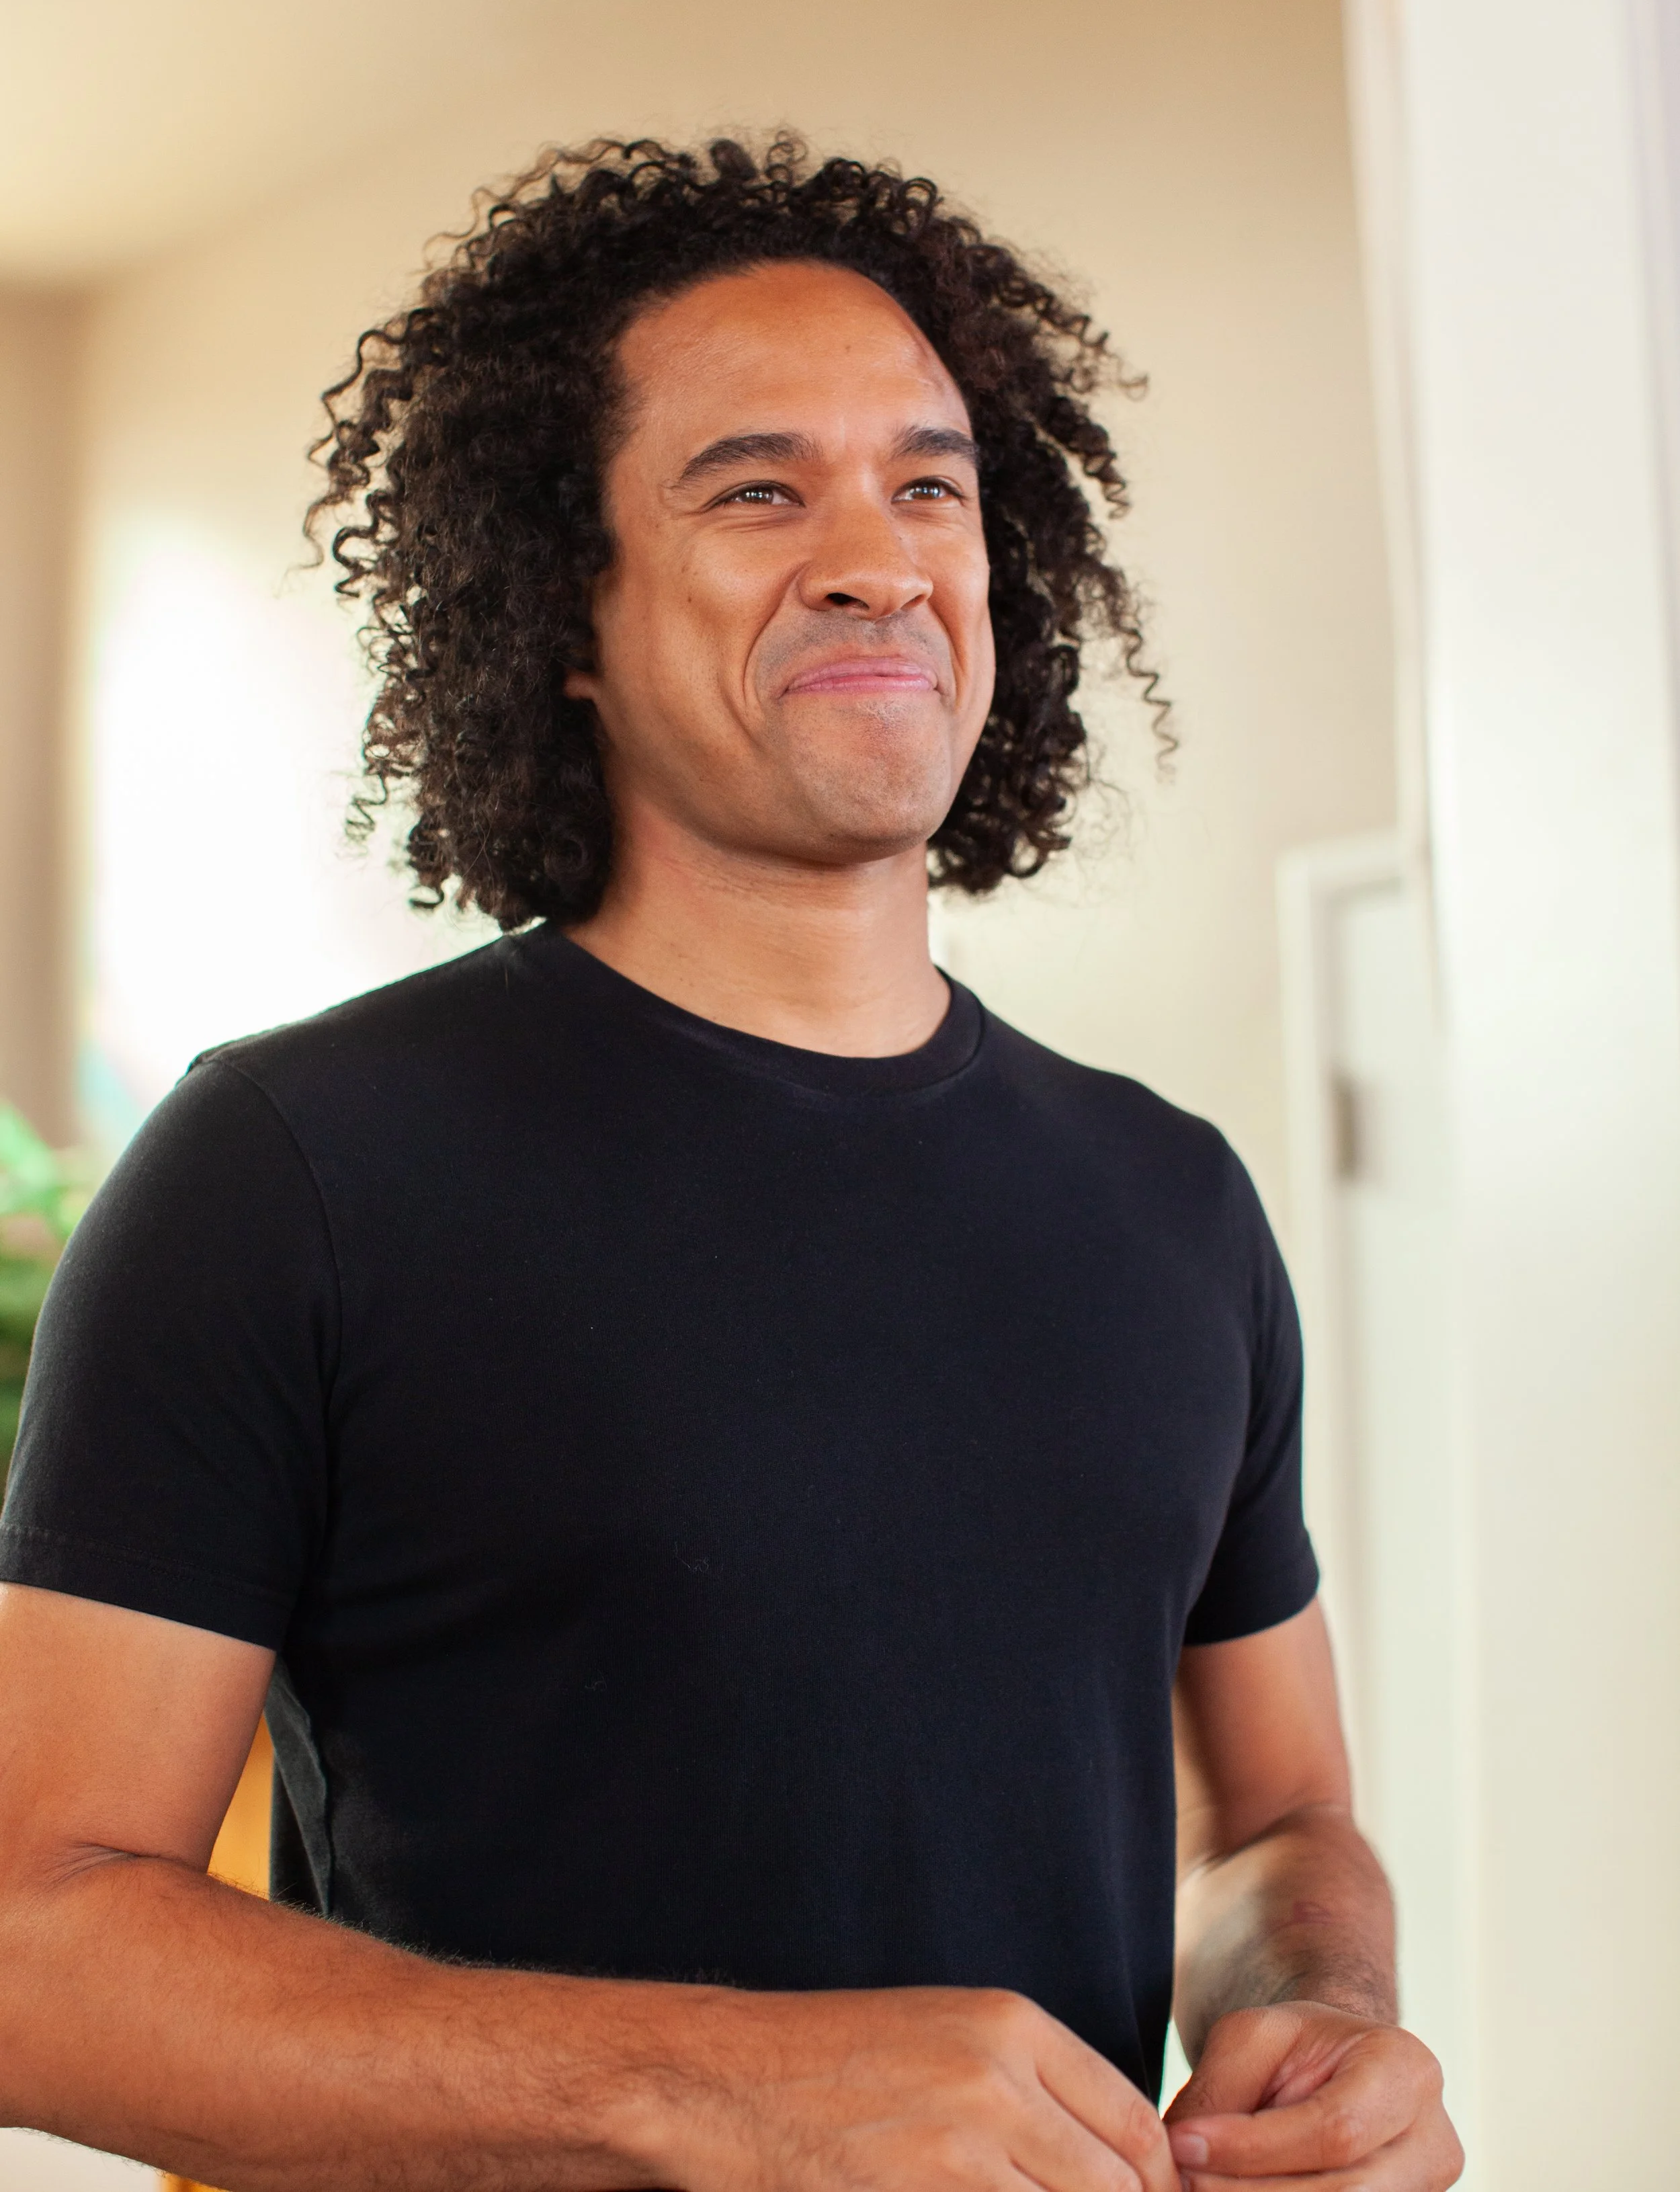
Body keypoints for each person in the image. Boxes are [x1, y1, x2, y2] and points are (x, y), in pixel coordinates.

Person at [0, 138, 1461, 2192]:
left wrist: (1312, 2013)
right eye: (759, 488)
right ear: (563, 611)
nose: (878, 556)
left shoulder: (1171, 1204)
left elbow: (1277, 1822)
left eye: (927, 484)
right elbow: (30, 1942)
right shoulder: (290, 1169)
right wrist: (705, 2086)